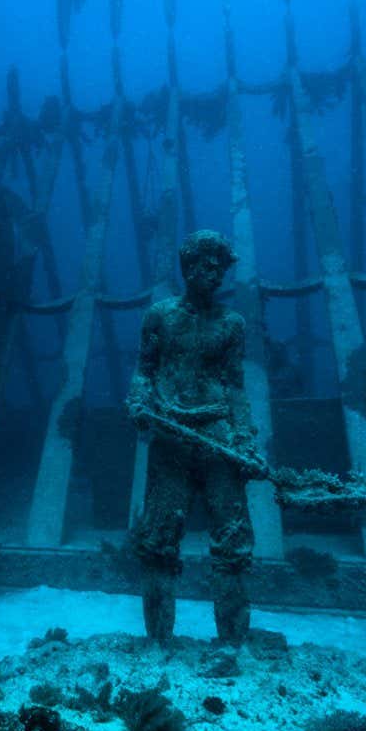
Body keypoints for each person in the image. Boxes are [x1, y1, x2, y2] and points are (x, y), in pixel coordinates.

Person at [126, 229, 261, 646]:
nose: (215, 272)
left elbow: (235, 385)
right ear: (187, 267)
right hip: (171, 438)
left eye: (221, 265)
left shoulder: (232, 324)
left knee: (233, 540)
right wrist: (138, 399)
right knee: (158, 540)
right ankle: (159, 642)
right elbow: (145, 370)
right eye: (207, 263)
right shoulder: (159, 316)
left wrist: (244, 438)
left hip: (219, 437)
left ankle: (233, 644)